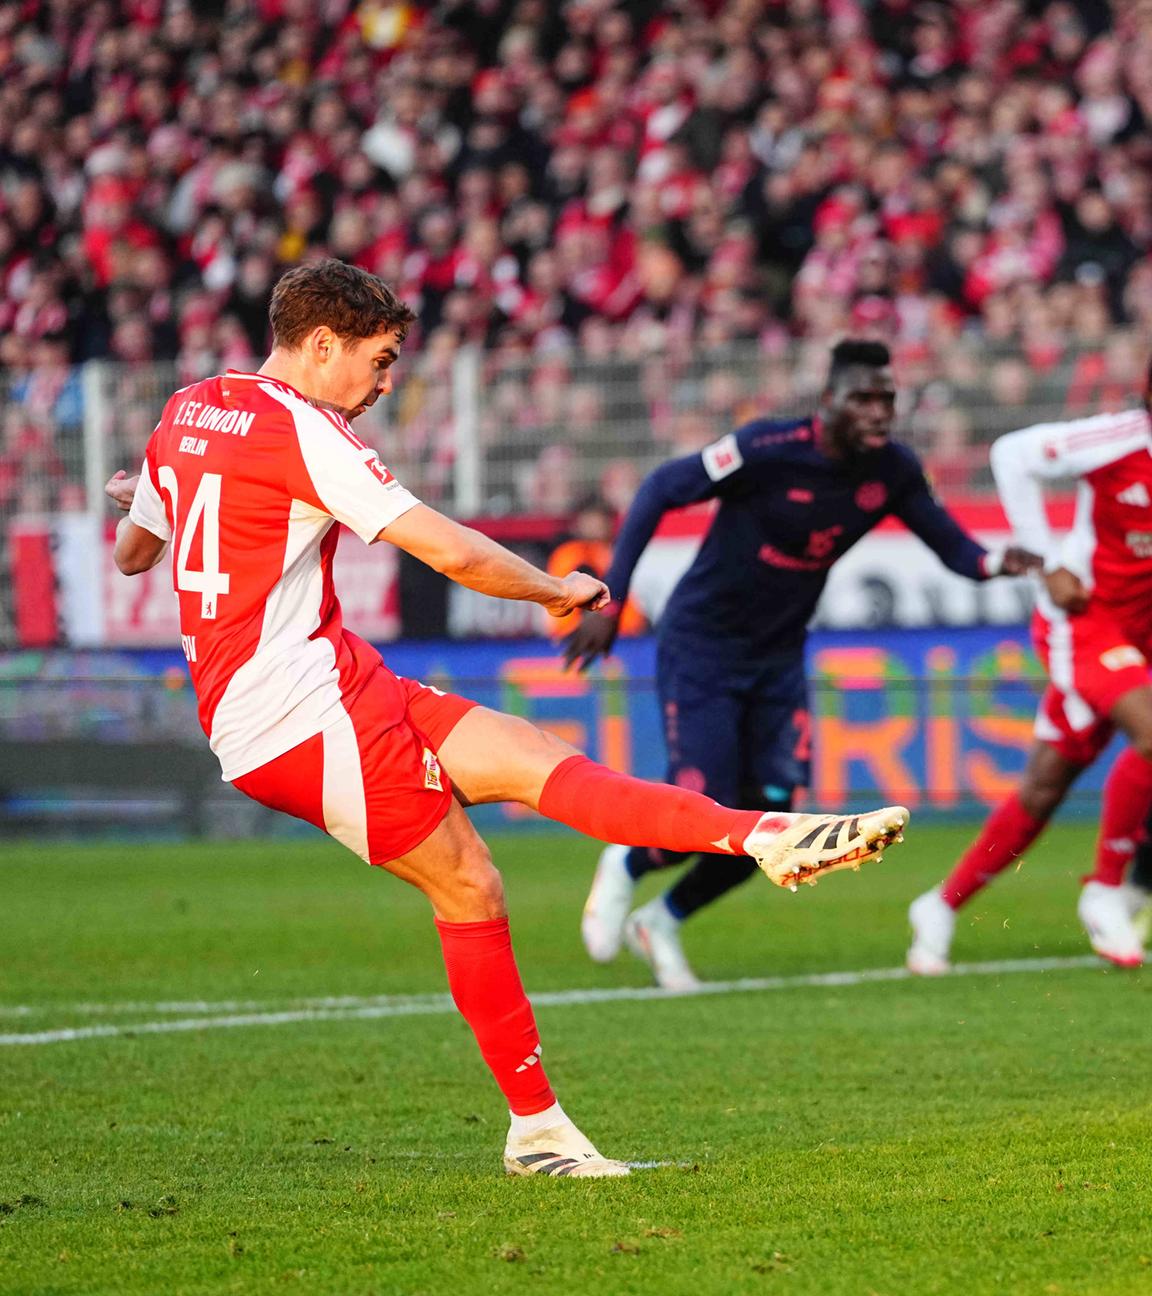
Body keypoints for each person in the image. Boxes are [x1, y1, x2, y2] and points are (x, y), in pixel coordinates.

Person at [105, 260, 909, 1180]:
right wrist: (556, 589)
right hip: (293, 717)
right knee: (471, 886)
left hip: (338, 677)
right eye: (379, 360)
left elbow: (137, 553)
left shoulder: (188, 407)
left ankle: (765, 834)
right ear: (320, 345)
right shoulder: (309, 430)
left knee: (536, 755)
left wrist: (139, 493)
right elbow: (448, 550)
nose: (384, 383)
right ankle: (538, 1133)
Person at [564, 339, 1039, 991]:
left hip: (778, 655)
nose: (878, 413)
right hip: (704, 642)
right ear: (828, 403)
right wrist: (611, 598)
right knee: (704, 801)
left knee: (775, 822)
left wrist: (995, 563)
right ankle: (625, 863)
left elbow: (951, 545)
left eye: (887, 400)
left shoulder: (893, 471)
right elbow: (659, 489)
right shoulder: (767, 448)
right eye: (864, 399)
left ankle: (663, 921)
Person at [907, 379, 1152, 973]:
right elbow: (1011, 453)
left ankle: (940, 904)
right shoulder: (1120, 439)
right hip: (1085, 621)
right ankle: (1106, 887)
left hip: (1141, 638)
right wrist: (1045, 565)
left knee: (1045, 786)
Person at [543, 495, 645, 640]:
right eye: (590, 520)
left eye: (600, 520)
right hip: (573, 637)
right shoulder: (568, 554)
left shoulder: (617, 553)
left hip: (625, 636)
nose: (595, 526)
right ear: (578, 523)